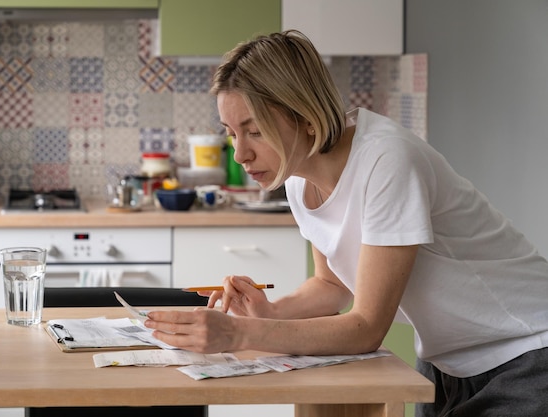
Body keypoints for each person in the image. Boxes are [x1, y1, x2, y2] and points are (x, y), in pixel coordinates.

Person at [144, 30, 548, 416]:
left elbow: (366, 328)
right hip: (448, 363)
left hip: (527, 350)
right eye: (232, 133)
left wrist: (236, 334)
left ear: (304, 116)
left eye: (255, 131)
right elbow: (332, 285)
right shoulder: (298, 179)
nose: (240, 155)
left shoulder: (386, 161)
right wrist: (269, 312)